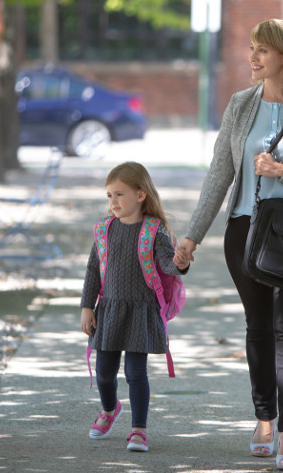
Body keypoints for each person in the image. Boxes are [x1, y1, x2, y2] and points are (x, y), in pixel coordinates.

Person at [175, 19, 283, 471]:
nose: (253, 58)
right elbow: (219, 175)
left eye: (262, 51)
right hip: (244, 231)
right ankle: (264, 420)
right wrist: (192, 235)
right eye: (251, 48)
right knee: (258, 327)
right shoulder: (239, 104)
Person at [80, 162, 189, 453]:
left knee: (135, 373)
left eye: (119, 195)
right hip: (110, 310)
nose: (113, 202)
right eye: (109, 196)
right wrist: (87, 307)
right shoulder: (104, 229)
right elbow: (94, 269)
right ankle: (109, 409)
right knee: (104, 372)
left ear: (140, 195)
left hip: (141, 311)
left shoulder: (154, 231)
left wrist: (180, 262)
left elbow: (167, 264)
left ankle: (139, 430)